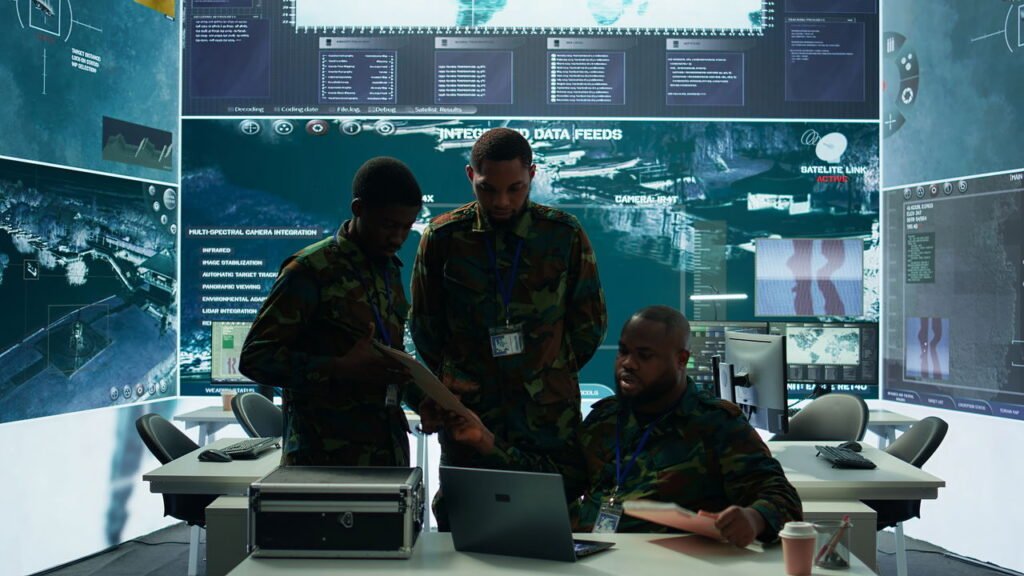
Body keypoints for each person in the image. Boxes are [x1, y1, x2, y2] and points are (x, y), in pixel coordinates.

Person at [446, 306, 802, 547]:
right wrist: (486, 441)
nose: (627, 364)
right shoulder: (606, 417)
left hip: (662, 565)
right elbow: (556, 480)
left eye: (644, 356)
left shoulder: (715, 424)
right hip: (588, 556)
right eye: (623, 352)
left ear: (681, 359)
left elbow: (780, 497)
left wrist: (753, 518)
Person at [409, 127, 607, 526]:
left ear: (531, 175)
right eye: (488, 189)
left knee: (551, 524)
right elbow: (426, 327)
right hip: (471, 415)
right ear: (471, 176)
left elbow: (589, 324)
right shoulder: (444, 237)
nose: (502, 201)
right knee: (465, 525)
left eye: (515, 189)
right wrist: (461, 382)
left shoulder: (563, 234)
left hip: (547, 420)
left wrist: (545, 374)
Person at [239, 156, 422, 467]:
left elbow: (387, 362)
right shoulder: (309, 270)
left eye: (406, 227)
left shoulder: (387, 268)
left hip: (386, 454)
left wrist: (423, 400)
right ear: (359, 209)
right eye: (389, 225)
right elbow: (255, 358)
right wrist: (338, 367)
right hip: (322, 459)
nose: (398, 238)